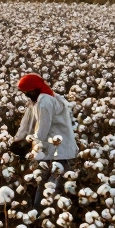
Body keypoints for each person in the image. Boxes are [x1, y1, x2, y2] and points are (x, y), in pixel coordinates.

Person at [10, 73, 78, 207]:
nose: (26, 95)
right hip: (49, 147)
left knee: (51, 182)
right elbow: (27, 122)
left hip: (57, 146)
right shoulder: (37, 100)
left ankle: (44, 210)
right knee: (47, 181)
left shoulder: (45, 101)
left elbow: (43, 127)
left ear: (35, 88)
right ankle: (43, 209)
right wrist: (17, 139)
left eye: (27, 91)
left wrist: (30, 144)